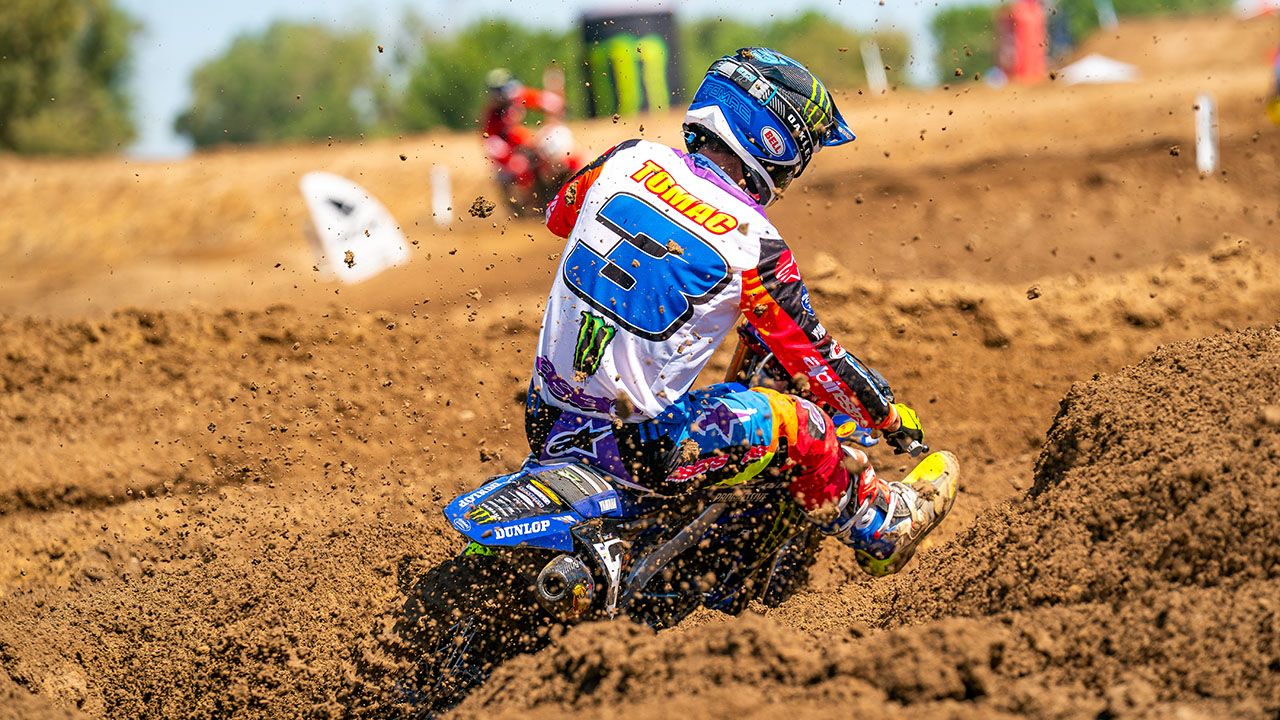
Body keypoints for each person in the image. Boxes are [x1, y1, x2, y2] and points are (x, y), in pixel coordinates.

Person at [525, 47, 959, 577]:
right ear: (775, 140)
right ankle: (879, 522)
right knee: (804, 424)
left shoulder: (626, 157)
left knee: (719, 367)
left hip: (546, 418)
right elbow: (817, 360)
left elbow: (559, 216)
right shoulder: (754, 242)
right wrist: (886, 414)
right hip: (639, 448)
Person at [480, 68, 571, 194]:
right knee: (506, 175)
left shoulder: (517, 96)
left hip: (533, 146)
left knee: (560, 142)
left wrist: (557, 106)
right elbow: (492, 144)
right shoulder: (492, 116)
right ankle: (529, 199)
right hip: (514, 155)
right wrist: (510, 160)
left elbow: (544, 100)